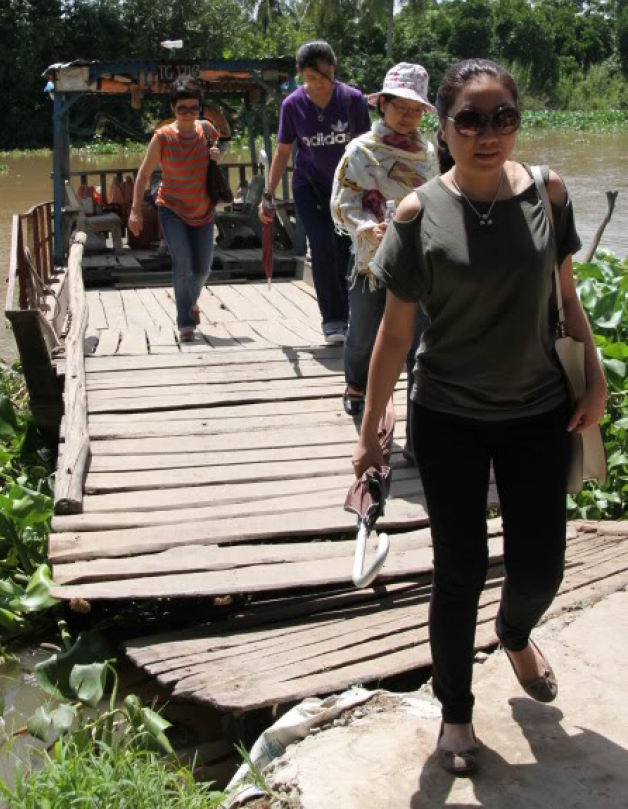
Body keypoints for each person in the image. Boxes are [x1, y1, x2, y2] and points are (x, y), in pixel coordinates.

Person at [353, 58, 607, 775]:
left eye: (503, 117)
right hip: (450, 416)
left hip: (538, 412)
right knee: (458, 567)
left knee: (543, 566)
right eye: (470, 119)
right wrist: (371, 430)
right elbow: (395, 334)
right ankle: (456, 715)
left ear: (518, 121)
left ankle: (515, 631)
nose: (487, 133)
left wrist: (595, 376)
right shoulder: (416, 214)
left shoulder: (549, 193)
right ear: (444, 126)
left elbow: (566, 295)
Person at [330, 63, 437, 463]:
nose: (408, 116)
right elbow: (343, 203)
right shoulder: (360, 151)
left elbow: (440, 199)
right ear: (384, 104)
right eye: (401, 107)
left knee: (419, 349)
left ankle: (417, 440)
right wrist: (365, 226)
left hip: (420, 263)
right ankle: (356, 384)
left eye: (415, 109)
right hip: (372, 262)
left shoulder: (430, 155)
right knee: (362, 335)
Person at [260, 40, 370, 343]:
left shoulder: (353, 100)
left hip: (348, 189)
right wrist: (268, 194)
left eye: (325, 76)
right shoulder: (292, 105)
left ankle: (350, 315)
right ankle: (333, 320)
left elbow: (365, 150)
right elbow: (283, 152)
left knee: (345, 250)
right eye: (312, 78)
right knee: (321, 246)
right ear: (300, 75)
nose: (319, 84)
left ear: (334, 67)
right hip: (309, 185)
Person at [129, 76, 221, 343]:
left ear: (199, 109)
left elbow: (214, 160)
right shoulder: (163, 138)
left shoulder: (208, 131)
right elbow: (143, 175)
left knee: (202, 269)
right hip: (172, 209)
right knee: (182, 264)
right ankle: (185, 322)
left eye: (193, 108)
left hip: (203, 209)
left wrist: (216, 157)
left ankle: (190, 301)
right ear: (173, 108)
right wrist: (135, 210)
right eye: (183, 108)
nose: (188, 114)